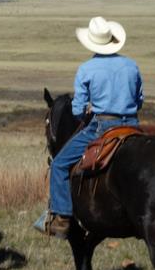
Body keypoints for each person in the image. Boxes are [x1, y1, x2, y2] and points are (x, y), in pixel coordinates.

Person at [37, 16, 144, 239]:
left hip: (102, 127)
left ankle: (63, 218)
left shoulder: (87, 68)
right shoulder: (131, 65)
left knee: (58, 165)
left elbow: (77, 111)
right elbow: (139, 100)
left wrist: (88, 109)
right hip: (133, 125)